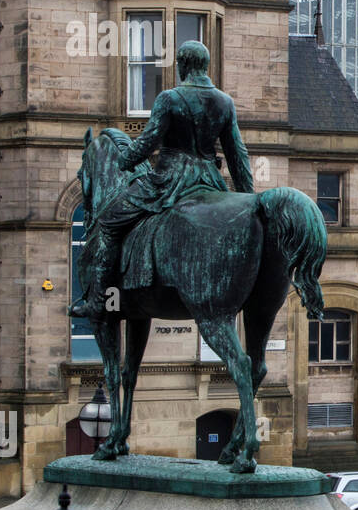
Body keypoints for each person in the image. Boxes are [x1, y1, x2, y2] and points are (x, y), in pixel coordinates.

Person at [70, 41, 254, 319]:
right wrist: (248, 197)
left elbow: (147, 141)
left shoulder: (169, 98)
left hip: (169, 180)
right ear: (204, 66)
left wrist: (126, 160)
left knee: (108, 223)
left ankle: (98, 301)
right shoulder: (224, 102)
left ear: (182, 65)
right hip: (209, 180)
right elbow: (237, 154)